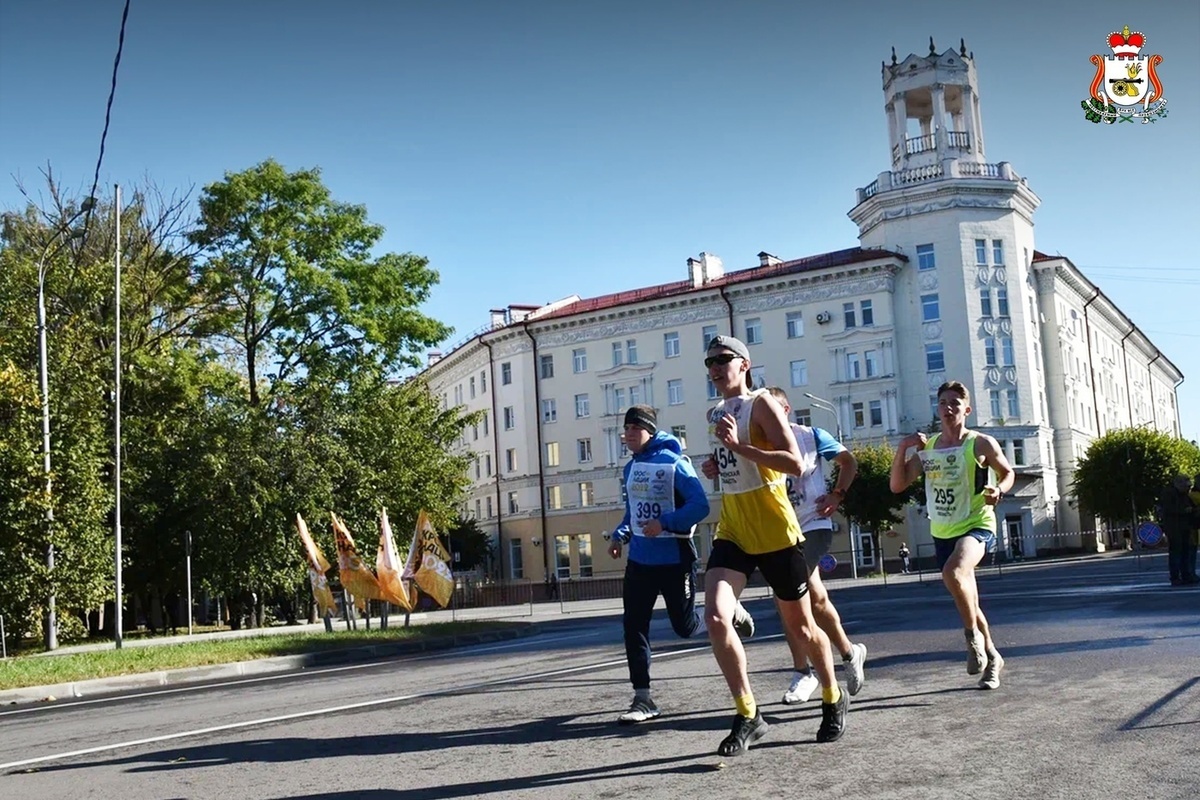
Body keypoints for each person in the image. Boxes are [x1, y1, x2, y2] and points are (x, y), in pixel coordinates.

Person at [700, 335, 848, 756]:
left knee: (802, 629)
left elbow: (793, 462)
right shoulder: (716, 412)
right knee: (714, 617)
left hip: (776, 531)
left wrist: (738, 448)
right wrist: (717, 464)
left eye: (722, 360)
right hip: (734, 529)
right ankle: (748, 713)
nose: (714, 368)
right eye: (709, 362)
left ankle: (833, 695)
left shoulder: (760, 404)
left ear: (743, 364)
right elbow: (735, 466)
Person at [608, 404, 754, 724]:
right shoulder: (631, 469)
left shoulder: (675, 464)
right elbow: (632, 512)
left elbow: (700, 506)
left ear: (648, 430)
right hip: (640, 562)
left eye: (633, 429)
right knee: (633, 626)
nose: (627, 435)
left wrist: (666, 522)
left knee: (685, 627)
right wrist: (619, 536)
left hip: (675, 559)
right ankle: (643, 698)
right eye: (625, 430)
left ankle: (730, 611)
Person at [889, 380, 1015, 690]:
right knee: (967, 595)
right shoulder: (928, 448)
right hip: (942, 530)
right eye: (943, 403)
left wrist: (998, 490)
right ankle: (992, 656)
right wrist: (903, 448)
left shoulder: (980, 443)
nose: (947, 408)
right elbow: (897, 485)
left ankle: (972, 641)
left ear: (966, 410)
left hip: (977, 524)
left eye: (954, 404)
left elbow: (1008, 472)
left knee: (955, 571)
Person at [764, 387, 868, 705]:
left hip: (813, 524)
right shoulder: (757, 441)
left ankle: (803, 672)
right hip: (781, 529)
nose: (767, 417)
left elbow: (848, 462)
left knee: (788, 596)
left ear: (786, 411)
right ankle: (850, 653)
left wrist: (838, 494)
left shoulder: (811, 435)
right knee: (817, 599)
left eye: (773, 410)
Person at [1158, 474, 1197, 586]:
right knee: (1176, 552)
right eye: (1186, 487)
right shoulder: (1169, 494)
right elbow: (1169, 509)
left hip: (1184, 526)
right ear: (1179, 484)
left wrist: (1192, 510)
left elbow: (1191, 506)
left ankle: (1186, 575)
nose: (1188, 489)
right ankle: (1175, 577)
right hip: (1174, 527)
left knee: (1185, 552)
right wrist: (1185, 511)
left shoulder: (1184, 495)